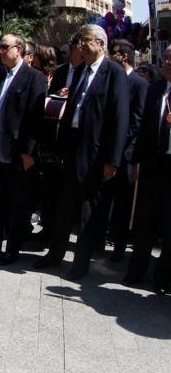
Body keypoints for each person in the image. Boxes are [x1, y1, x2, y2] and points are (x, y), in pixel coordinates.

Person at [34, 24, 128, 279]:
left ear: (100, 43)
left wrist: (113, 160)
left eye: (85, 41)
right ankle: (55, 254)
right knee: (64, 205)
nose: (80, 46)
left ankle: (80, 263)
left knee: (88, 211)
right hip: (72, 148)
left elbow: (120, 119)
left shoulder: (114, 74)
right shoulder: (80, 71)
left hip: (96, 152)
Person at [0, 33, 47, 265]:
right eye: (0, 47)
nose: (1, 50)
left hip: (17, 151)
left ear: (19, 50)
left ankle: (12, 249)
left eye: (5, 47)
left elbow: (35, 118)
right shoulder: (0, 77)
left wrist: (28, 150)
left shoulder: (34, 78)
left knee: (17, 203)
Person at [123, 45, 171, 293]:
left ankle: (163, 277)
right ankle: (136, 270)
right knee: (144, 222)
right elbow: (143, 127)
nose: (167, 63)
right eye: (167, 59)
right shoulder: (156, 89)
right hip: (152, 165)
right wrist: (135, 161)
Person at [102, 39, 147, 261]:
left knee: (121, 204)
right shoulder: (108, 80)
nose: (110, 57)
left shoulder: (139, 84)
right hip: (104, 151)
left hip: (125, 155)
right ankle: (97, 241)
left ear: (124, 57)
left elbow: (137, 122)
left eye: (114, 54)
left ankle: (118, 247)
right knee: (102, 200)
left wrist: (118, 143)